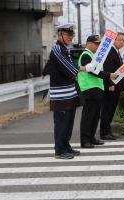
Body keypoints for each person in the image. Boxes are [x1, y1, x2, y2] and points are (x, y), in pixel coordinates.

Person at [42, 23, 95, 159]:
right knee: (62, 122)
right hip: (61, 95)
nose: (70, 37)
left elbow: (71, 68)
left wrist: (80, 69)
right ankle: (59, 150)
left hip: (69, 92)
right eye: (67, 35)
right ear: (60, 35)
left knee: (69, 122)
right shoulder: (57, 50)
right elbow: (70, 69)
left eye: (71, 35)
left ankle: (66, 146)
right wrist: (85, 68)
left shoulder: (65, 49)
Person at [78, 35, 118, 148]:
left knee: (95, 116)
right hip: (89, 89)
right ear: (88, 43)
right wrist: (109, 75)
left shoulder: (93, 55)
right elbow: (93, 71)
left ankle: (91, 137)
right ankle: (85, 140)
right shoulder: (85, 55)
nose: (98, 46)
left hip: (96, 88)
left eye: (99, 44)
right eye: (96, 44)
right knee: (88, 116)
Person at [100, 32, 124, 140]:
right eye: (119, 39)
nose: (122, 42)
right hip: (111, 87)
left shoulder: (116, 52)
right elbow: (108, 69)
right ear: (114, 40)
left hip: (116, 86)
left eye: (123, 40)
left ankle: (107, 131)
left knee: (111, 110)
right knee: (107, 110)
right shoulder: (111, 52)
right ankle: (104, 132)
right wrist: (109, 84)